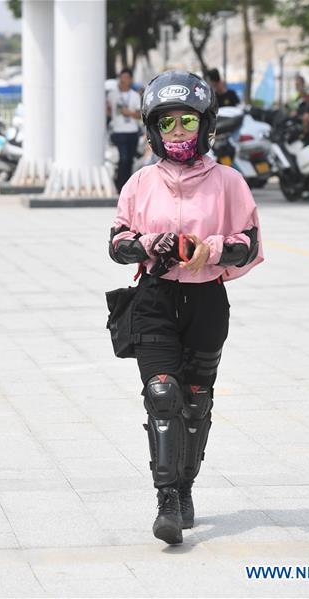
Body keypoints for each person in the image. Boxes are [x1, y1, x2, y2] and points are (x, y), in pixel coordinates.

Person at [110, 71, 263, 545]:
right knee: (161, 394)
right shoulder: (139, 183)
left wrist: (211, 249)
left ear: (205, 126)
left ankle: (186, 485)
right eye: (168, 123)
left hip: (206, 302)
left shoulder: (229, 182)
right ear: (154, 129)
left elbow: (251, 243)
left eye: (188, 122)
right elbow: (117, 243)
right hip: (154, 299)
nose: (178, 132)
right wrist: (148, 242)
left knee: (195, 402)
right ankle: (166, 501)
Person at [107, 68, 143, 191]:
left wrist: (128, 113)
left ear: (131, 79)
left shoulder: (135, 95)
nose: (124, 80)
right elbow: (107, 108)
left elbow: (139, 115)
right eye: (122, 77)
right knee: (123, 158)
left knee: (129, 160)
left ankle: (128, 185)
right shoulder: (113, 94)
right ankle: (120, 185)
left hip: (132, 131)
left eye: (127, 78)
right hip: (118, 131)